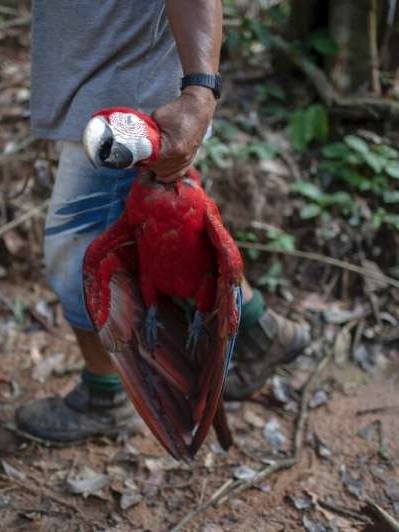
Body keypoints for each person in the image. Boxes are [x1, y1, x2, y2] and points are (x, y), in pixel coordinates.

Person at [15, 0, 310, 442]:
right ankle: (260, 332)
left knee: (80, 263)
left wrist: (199, 93)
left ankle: (105, 396)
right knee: (165, 247)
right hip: (106, 92)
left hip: (128, 111)